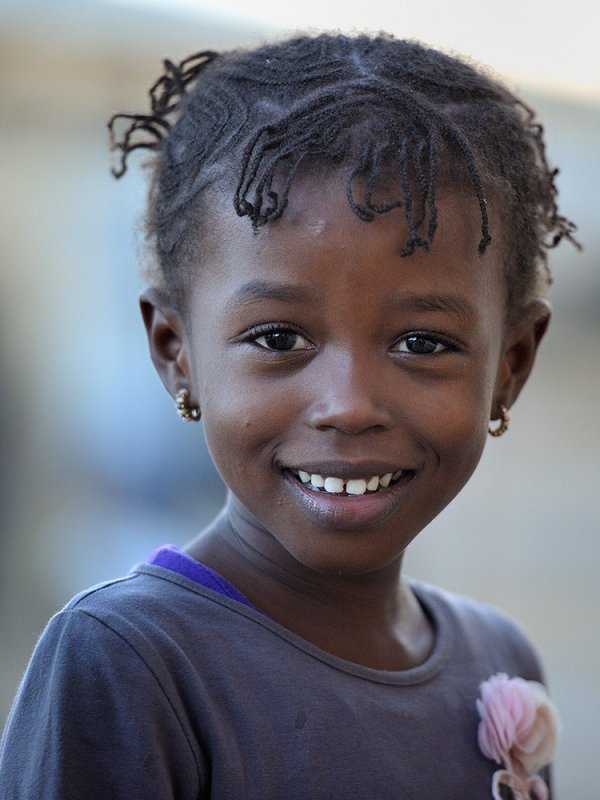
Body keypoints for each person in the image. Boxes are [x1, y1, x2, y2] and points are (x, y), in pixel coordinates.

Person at [0, 32, 577, 799]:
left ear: (511, 366)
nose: (348, 405)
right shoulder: (134, 660)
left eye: (421, 342)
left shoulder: (498, 658)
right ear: (177, 351)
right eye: (278, 338)